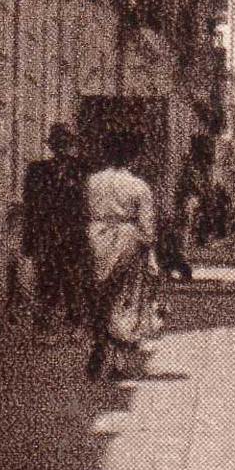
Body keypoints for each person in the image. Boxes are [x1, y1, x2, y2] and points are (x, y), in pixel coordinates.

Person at [85, 131, 159, 379]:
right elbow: (147, 229)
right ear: (134, 158)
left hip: (96, 237)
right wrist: (149, 255)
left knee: (99, 297)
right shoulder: (139, 187)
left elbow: (84, 212)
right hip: (127, 240)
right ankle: (117, 363)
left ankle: (98, 344)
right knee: (125, 299)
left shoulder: (92, 182)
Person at [21, 123, 90, 331]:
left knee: (73, 281)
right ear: (51, 147)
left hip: (72, 235)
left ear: (70, 146)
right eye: (57, 144)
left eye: (65, 144)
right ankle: (45, 326)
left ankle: (74, 323)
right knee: (46, 280)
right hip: (46, 234)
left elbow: (87, 206)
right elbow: (30, 206)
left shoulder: (80, 170)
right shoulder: (37, 171)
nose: (61, 149)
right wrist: (29, 240)